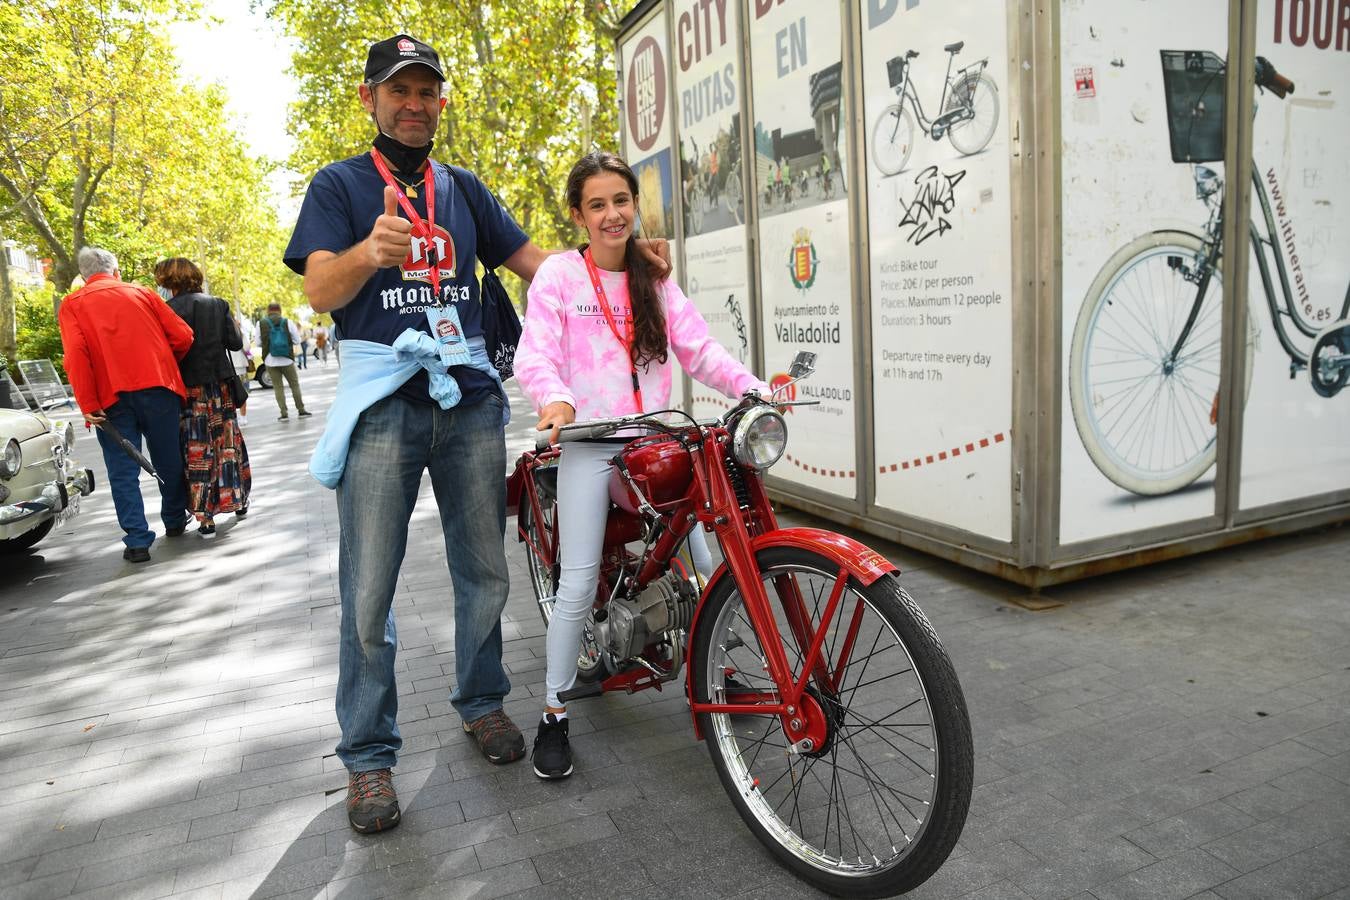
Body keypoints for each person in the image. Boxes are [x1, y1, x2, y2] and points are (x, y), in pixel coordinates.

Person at [284, 33, 669, 836]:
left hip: (468, 400)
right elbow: (320, 288)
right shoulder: (340, 184)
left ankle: (482, 703)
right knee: (368, 590)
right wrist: (368, 250)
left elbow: (543, 268)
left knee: (485, 572)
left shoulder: (464, 188)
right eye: (400, 90)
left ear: (442, 102)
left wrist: (628, 257)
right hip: (384, 400)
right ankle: (367, 757)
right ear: (369, 99)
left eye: (428, 91)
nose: (415, 104)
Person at [514, 151, 768, 781]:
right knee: (575, 584)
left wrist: (750, 386)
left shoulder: (653, 277)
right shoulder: (557, 279)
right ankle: (553, 711)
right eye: (596, 205)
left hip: (658, 443)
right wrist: (556, 400)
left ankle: (722, 669)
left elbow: (699, 349)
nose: (611, 215)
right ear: (578, 214)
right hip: (591, 442)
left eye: (621, 201)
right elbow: (535, 355)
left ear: (635, 206)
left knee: (712, 555)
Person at [57, 247, 193, 563]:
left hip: (110, 398)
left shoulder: (73, 304)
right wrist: (165, 363)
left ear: (83, 276)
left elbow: (76, 354)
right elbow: (183, 336)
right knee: (168, 458)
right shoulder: (142, 294)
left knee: (122, 470)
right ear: (116, 271)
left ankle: (137, 540)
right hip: (158, 387)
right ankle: (174, 520)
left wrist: (88, 403)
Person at [155, 258, 252, 539]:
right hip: (220, 387)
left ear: (169, 282)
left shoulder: (166, 310)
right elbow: (235, 343)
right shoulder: (217, 304)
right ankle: (237, 500)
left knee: (197, 450)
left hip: (189, 390)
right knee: (227, 444)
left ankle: (205, 516)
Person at [258, 302, 310, 420]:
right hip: (287, 359)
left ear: (268, 311)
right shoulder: (287, 322)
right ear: (280, 310)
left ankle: (284, 413)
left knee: (278, 387)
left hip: (270, 360)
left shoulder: (260, 323)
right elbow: (297, 340)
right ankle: (301, 410)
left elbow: (258, 343)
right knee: (294, 385)